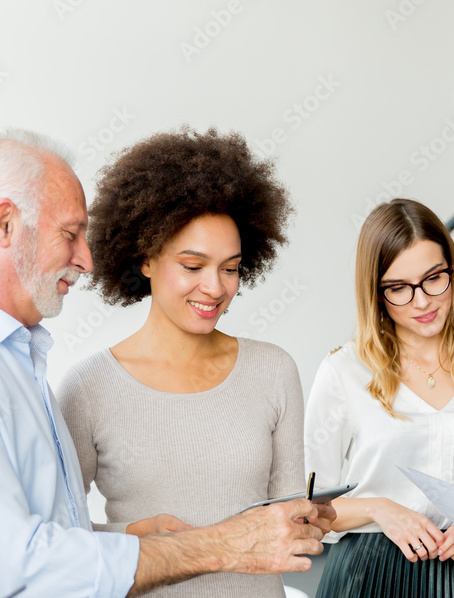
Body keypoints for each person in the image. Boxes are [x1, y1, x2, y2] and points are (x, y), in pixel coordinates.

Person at [0, 129, 333, 598]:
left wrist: (130, 538)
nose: (87, 259)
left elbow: (55, 533)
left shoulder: (17, 360)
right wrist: (220, 545)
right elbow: (24, 564)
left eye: (230, 268)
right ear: (5, 224)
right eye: (71, 234)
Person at [57, 128, 304, 597]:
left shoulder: (273, 371)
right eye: (193, 266)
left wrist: (313, 519)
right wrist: (132, 538)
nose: (215, 287)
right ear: (147, 258)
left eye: (230, 268)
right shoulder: (88, 388)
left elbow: (288, 517)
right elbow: (59, 545)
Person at [304, 198, 454, 597]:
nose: (422, 301)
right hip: (363, 574)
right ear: (375, 294)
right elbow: (308, 507)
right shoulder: (343, 371)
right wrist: (379, 508)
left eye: (433, 278)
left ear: (453, 271)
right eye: (398, 288)